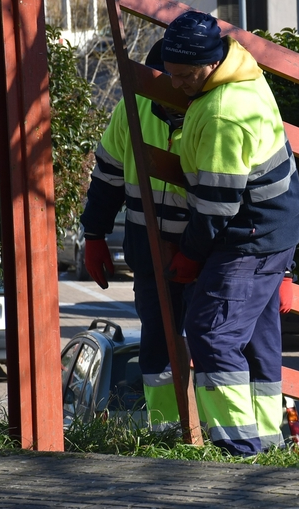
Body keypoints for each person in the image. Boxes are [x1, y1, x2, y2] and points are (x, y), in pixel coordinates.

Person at [161, 10, 299, 456]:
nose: (178, 84)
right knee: (257, 340)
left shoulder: (223, 112)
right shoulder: (243, 74)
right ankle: (266, 445)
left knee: (211, 333)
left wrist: (189, 255)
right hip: (273, 229)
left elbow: (215, 205)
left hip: (250, 235)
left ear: (210, 64)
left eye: (187, 75)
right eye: (172, 74)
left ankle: (240, 449)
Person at [79, 39, 192, 429]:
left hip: (204, 252)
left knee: (213, 341)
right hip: (150, 254)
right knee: (157, 344)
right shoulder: (132, 108)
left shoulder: (211, 111)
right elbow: (107, 177)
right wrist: (93, 234)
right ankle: (164, 427)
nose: (173, 90)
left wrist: (283, 269)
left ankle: (215, 434)